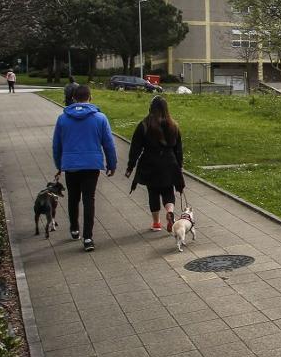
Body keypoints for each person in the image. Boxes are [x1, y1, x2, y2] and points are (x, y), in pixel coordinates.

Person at [52, 85, 117, 252]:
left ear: (73, 98)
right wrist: (112, 164)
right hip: (91, 164)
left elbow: (57, 145)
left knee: (73, 197)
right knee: (89, 199)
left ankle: (74, 228)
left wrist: (59, 165)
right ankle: (88, 237)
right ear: (90, 97)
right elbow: (108, 143)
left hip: (70, 164)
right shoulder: (100, 118)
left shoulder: (63, 119)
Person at [126, 96, 185, 233]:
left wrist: (131, 165)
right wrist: (179, 166)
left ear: (151, 108)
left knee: (153, 192)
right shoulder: (173, 125)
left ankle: (156, 223)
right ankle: (170, 211)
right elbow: (178, 149)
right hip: (170, 163)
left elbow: (135, 147)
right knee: (168, 191)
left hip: (150, 163)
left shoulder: (144, 125)